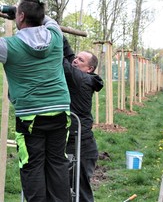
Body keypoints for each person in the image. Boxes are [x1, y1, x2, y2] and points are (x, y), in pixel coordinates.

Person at [0, 0, 71, 202]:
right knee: (58, 163)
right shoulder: (56, 35)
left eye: (18, 13)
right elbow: (47, 19)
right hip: (61, 111)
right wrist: (20, 9)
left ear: (21, 16)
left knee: (32, 165)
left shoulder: (10, 45)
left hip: (31, 117)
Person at [63, 36, 104, 202]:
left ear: (89, 69)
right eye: (76, 57)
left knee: (81, 191)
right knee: (70, 188)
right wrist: (60, 35)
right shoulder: (81, 76)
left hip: (82, 146)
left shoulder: (81, 79)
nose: (75, 60)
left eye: (81, 60)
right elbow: (68, 56)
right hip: (74, 140)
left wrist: (50, 34)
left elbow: (62, 61)